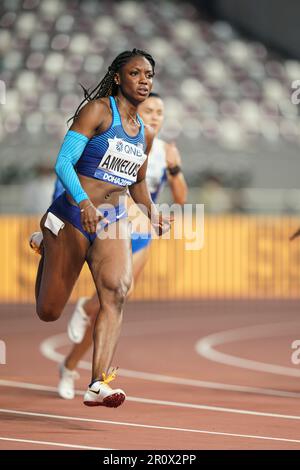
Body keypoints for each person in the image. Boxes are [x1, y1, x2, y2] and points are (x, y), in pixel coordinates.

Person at [33, 49, 173, 408]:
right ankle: (47, 238)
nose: (144, 80)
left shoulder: (145, 134)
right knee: (48, 311)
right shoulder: (97, 111)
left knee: (117, 293)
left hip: (112, 221)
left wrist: (153, 212)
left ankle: (99, 382)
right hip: (74, 214)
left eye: (149, 75)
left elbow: (136, 184)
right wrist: (83, 202)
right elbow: (63, 162)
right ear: (118, 77)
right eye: (136, 73)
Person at [54, 92, 188, 399]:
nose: (156, 116)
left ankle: (72, 365)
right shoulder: (120, 135)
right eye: (151, 109)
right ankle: (81, 314)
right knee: (101, 299)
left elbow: (181, 199)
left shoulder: (164, 148)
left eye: (161, 111)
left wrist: (176, 168)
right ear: (137, 109)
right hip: (111, 221)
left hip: (142, 232)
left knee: (115, 298)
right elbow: (87, 175)